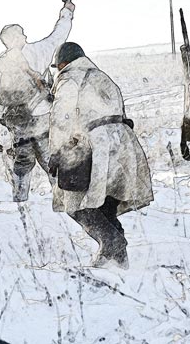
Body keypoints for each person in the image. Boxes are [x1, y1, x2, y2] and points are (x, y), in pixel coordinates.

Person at [48, 42, 153, 267]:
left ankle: (112, 243)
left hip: (95, 144)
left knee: (74, 202)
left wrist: (57, 151)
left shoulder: (69, 78)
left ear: (63, 63)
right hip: (122, 142)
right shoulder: (100, 76)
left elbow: (61, 118)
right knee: (106, 203)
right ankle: (117, 261)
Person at [0, 0, 75, 202]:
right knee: (50, 158)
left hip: (18, 121)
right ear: (19, 37)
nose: (25, 37)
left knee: (23, 161)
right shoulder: (36, 52)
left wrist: (5, 121)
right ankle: (62, 199)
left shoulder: (0, 64)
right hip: (41, 117)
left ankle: (19, 199)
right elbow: (58, 37)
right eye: (22, 34)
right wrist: (67, 12)